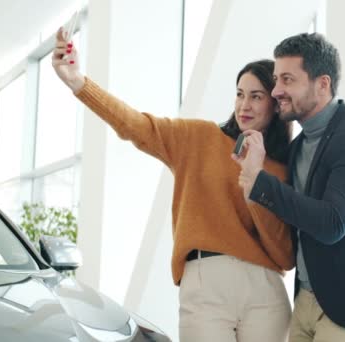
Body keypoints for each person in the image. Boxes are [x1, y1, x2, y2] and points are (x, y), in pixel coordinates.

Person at [51, 27, 294, 342]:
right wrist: (78, 82)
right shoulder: (199, 138)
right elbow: (136, 125)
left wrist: (256, 178)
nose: (244, 105)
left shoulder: (283, 167)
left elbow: (284, 254)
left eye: (256, 96)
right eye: (239, 93)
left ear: (275, 104)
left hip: (266, 293)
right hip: (205, 283)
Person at [233, 33, 345, 342]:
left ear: (322, 84)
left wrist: (260, 181)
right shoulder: (299, 144)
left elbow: (332, 223)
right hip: (307, 298)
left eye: (287, 79)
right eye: (276, 80)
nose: (277, 91)